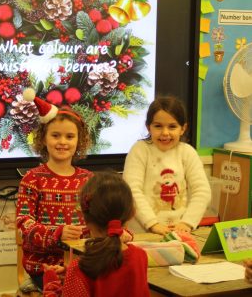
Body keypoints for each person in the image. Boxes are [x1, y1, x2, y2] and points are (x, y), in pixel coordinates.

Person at [16, 88, 92, 291]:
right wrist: (57, 234)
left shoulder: (89, 179)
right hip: (43, 267)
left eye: (69, 137)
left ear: (79, 140)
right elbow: (24, 222)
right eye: (55, 135)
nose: (62, 142)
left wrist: (118, 230)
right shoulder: (32, 179)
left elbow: (102, 216)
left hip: (83, 264)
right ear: (43, 138)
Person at [43, 171, 151, 297]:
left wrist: (51, 282)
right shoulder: (140, 256)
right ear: (131, 213)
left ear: (85, 217)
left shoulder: (80, 268)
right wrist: (70, 276)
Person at [123, 95, 211, 235]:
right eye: (158, 126)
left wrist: (187, 223)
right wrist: (153, 224)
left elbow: (202, 191)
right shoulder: (140, 150)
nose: (165, 133)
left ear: (183, 128)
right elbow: (132, 191)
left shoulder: (187, 152)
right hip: (143, 232)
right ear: (148, 127)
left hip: (179, 231)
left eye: (172, 126)